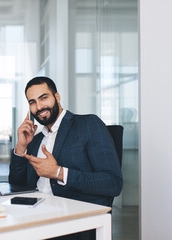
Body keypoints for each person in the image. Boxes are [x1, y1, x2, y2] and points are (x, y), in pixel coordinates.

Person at [9, 76, 122, 240]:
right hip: (34, 217)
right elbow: (17, 185)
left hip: (71, 223)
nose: (39, 106)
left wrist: (58, 173)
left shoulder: (88, 124)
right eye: (32, 102)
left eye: (44, 98)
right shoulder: (36, 140)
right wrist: (21, 147)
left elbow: (113, 183)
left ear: (57, 97)